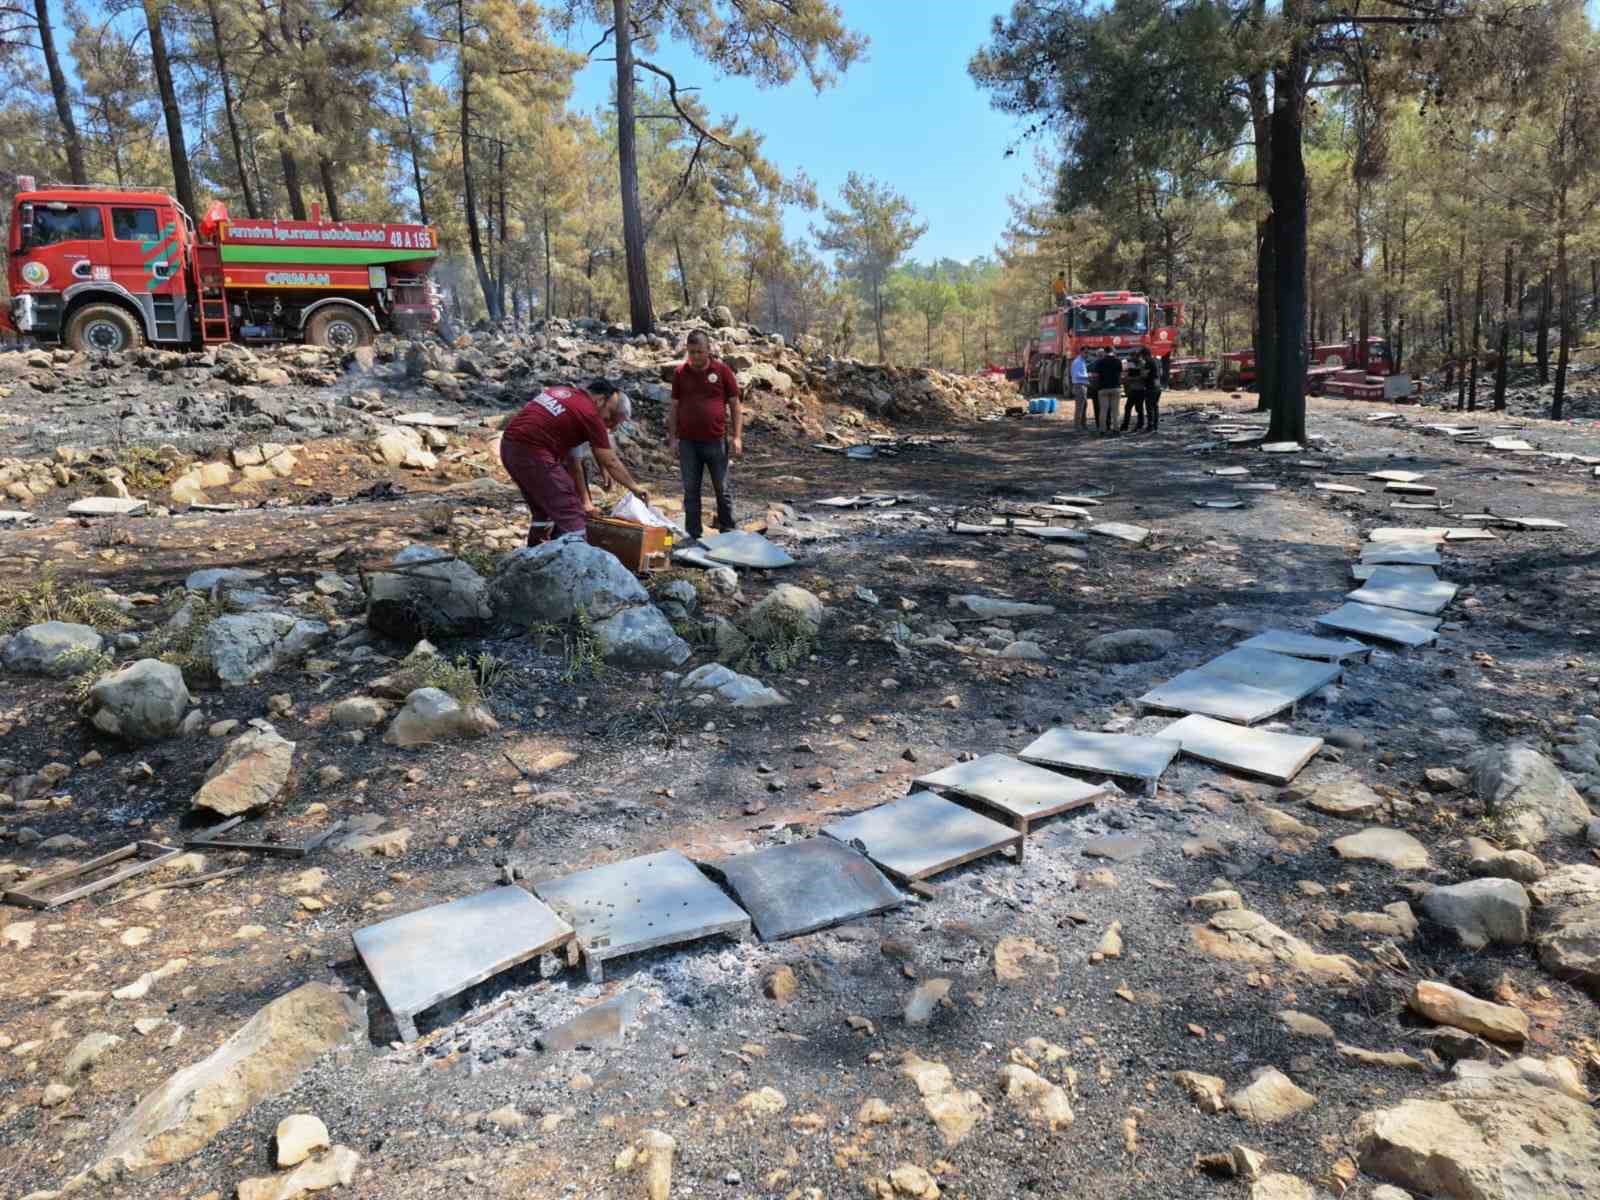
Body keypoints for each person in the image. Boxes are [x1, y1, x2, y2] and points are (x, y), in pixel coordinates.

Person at [499, 378, 648, 545]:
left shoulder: (562, 393)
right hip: (533, 453)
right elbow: (609, 460)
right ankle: (583, 566)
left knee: (543, 511)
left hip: (509, 447)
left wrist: (602, 470)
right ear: (600, 400)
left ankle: (532, 558)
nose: (608, 425)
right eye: (610, 416)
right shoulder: (590, 414)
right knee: (571, 512)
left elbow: (581, 456)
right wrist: (635, 487)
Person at [669, 329, 743, 545]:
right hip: (688, 443)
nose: (695, 356)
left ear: (708, 350)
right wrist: (672, 438)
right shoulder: (680, 373)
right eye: (691, 352)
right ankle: (693, 535)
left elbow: (735, 406)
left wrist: (737, 437)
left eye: (700, 351)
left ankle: (728, 532)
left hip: (715, 441)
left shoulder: (722, 371)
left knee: (722, 488)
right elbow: (673, 407)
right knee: (691, 489)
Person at [1091, 348, 1122, 434]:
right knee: (1115, 411)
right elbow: (1120, 375)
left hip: (1103, 389)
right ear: (1113, 352)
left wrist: (1097, 387)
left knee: (1103, 410)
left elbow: (1096, 376)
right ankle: (1116, 429)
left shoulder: (1100, 362)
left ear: (1105, 352)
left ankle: (1102, 430)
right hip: (1116, 388)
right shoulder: (1118, 361)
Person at [1121, 352, 1147, 433]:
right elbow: (1127, 375)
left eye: (1133, 356)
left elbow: (1144, 376)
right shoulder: (1131, 364)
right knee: (1128, 407)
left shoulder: (1143, 364)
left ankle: (1140, 424)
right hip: (1133, 389)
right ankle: (1125, 425)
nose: (1131, 358)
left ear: (1137, 356)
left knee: (1139, 408)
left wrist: (1132, 378)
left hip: (1140, 389)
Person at [1069, 347, 1091, 429]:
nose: (1087, 354)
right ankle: (1077, 426)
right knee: (1080, 407)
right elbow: (1076, 375)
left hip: (1083, 385)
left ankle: (1083, 424)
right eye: (1085, 352)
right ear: (1081, 352)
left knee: (1084, 405)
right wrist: (1088, 376)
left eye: (1088, 353)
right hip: (1079, 386)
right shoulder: (1078, 362)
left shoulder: (1082, 361)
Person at [1142, 349, 1164, 433]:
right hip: (1158, 386)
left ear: (1145, 355)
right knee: (1155, 406)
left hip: (1150, 387)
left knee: (1149, 407)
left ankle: (1150, 426)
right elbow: (1161, 373)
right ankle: (1155, 425)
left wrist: (1141, 374)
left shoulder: (1148, 362)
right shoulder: (1157, 361)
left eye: (1143, 356)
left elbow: (1144, 374)